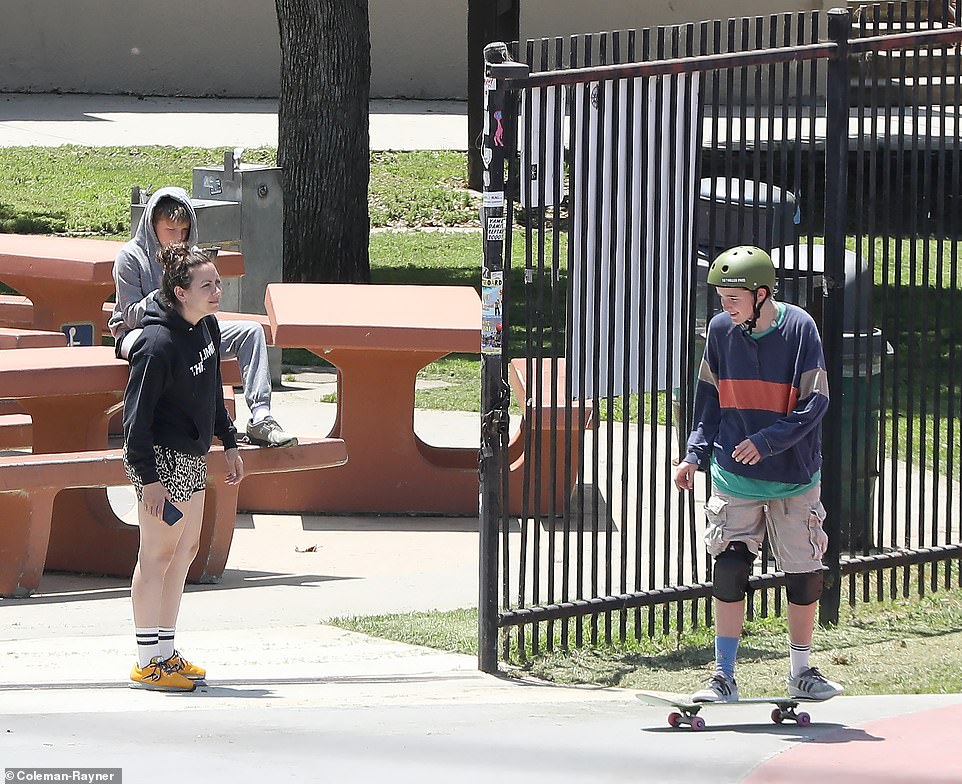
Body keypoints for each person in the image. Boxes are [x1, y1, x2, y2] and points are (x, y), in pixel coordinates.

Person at [674, 245, 843, 703]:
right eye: (722, 298)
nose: (724, 307)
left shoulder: (800, 329)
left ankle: (801, 671)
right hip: (733, 475)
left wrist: (767, 441)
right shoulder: (721, 331)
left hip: (793, 475)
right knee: (728, 568)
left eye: (733, 298)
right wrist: (694, 454)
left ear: (762, 294)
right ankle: (723, 674)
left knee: (804, 572)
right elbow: (708, 398)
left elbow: (815, 403)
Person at [122, 244, 245, 691]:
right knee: (155, 556)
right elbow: (134, 420)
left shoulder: (206, 328)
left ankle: (166, 652)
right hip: (161, 461)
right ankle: (145, 663)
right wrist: (149, 481)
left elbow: (212, 393)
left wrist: (228, 442)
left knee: (185, 552)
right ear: (180, 291)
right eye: (208, 285)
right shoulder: (157, 345)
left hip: (193, 457)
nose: (217, 291)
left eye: (217, 282)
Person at [109, 186, 297, 448]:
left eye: (184, 231)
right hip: (140, 332)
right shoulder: (130, 257)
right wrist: (167, 295)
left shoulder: (191, 256)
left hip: (189, 329)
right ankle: (150, 432)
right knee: (154, 348)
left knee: (252, 331)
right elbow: (129, 316)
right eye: (170, 231)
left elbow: (204, 304)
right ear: (153, 225)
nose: (178, 238)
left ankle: (261, 418)